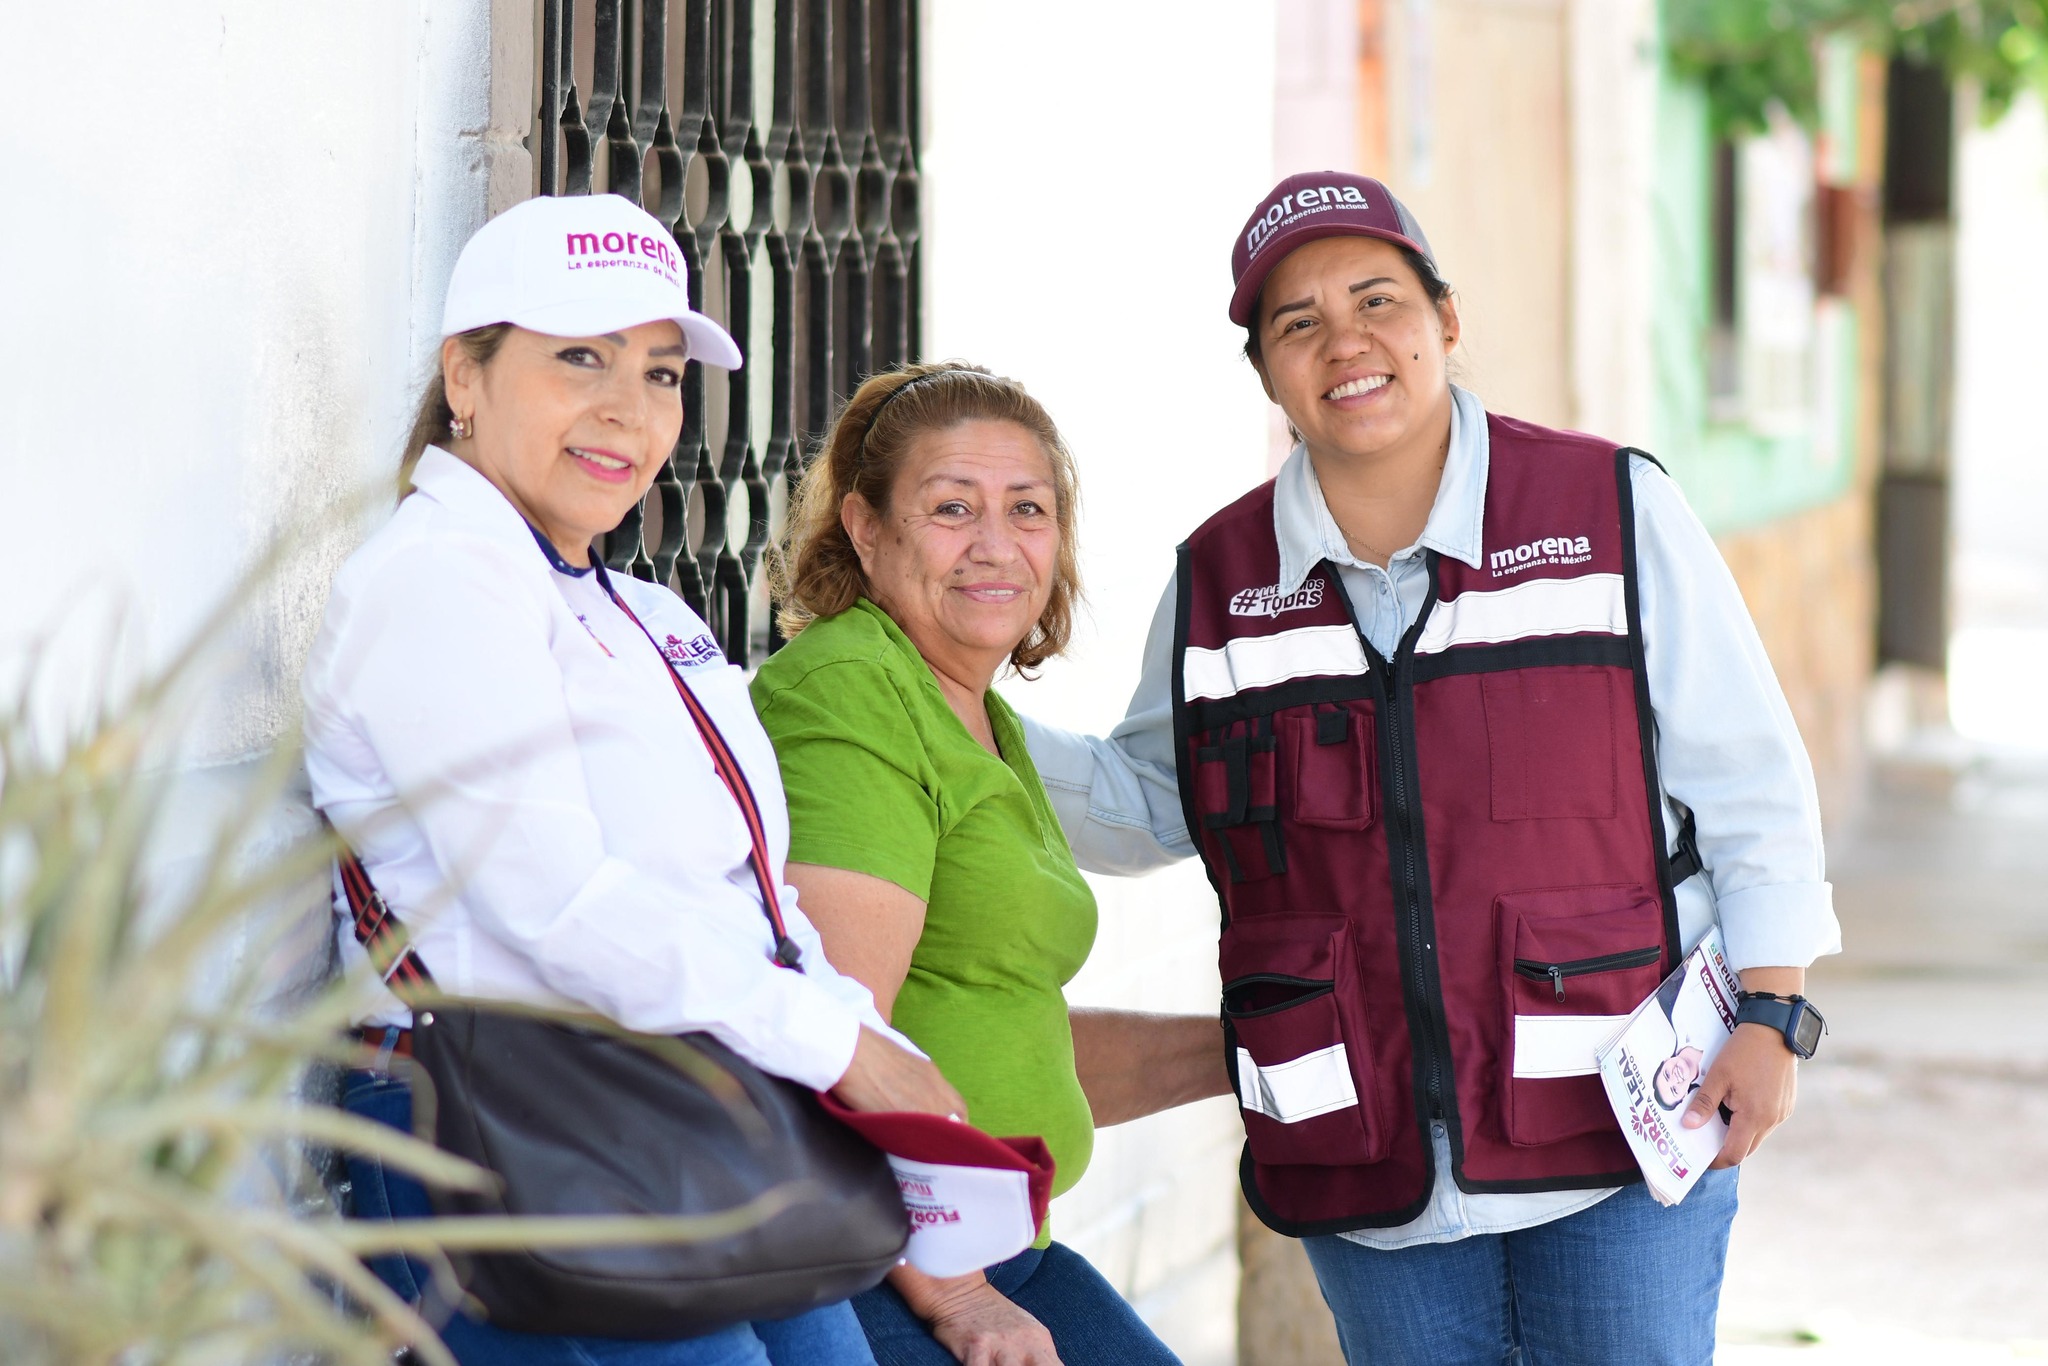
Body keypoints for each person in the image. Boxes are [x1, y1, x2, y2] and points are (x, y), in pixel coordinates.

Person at [1021, 173, 1843, 1366]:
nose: (1344, 343)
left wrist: (1771, 1015)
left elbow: (1751, 784)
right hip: (1364, 1153)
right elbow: (1154, 803)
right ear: (1264, 372)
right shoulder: (1221, 580)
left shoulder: (1608, 512)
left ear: (1443, 323)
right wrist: (948, 716)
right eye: (1296, 322)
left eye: (1375, 301)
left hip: (1616, 1137)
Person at [302, 193, 962, 1366]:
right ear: (466, 375)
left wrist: (856, 1037)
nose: (628, 409)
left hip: (682, 1110)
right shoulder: (438, 581)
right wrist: (832, 1045)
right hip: (505, 1128)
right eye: (578, 359)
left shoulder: (642, 612)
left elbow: (739, 897)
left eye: (660, 373)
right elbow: (554, 908)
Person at [748, 363, 1229, 1366]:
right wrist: (959, 1298)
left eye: (1027, 509)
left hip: (1005, 1246)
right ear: (865, 530)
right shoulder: (850, 696)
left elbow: (1005, 1029)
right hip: (891, 1264)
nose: (995, 545)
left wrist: (1245, 1049)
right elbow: (833, 1036)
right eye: (950, 508)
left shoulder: (973, 715)